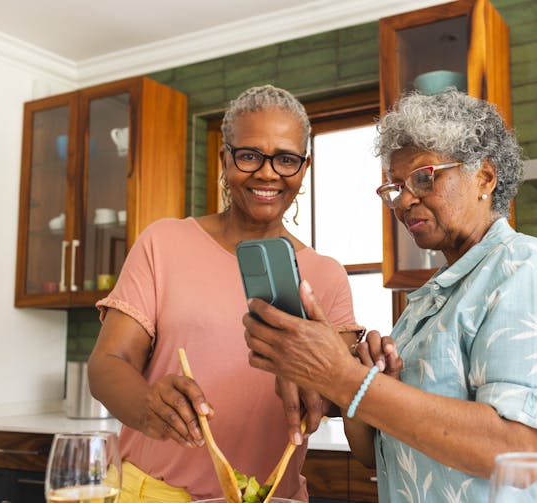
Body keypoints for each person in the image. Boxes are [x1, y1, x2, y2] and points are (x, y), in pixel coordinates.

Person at [242, 89, 537, 502]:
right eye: (395, 187)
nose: (405, 200)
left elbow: (520, 452)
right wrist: (353, 376)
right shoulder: (430, 302)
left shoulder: (526, 268)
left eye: (423, 177)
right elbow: (375, 456)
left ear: (485, 177)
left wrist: (342, 377)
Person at [88, 84, 360, 502]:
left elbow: (338, 393)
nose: (268, 173)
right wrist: (147, 405)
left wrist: (319, 385)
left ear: (303, 169)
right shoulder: (164, 242)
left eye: (286, 159)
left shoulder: (327, 277)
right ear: (224, 159)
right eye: (249, 155)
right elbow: (108, 362)